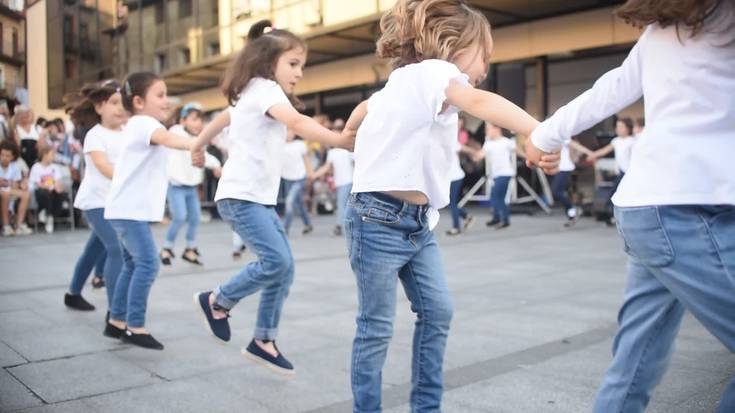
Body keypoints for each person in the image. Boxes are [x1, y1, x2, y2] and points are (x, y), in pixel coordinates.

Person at [342, 1, 558, 411]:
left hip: (414, 224)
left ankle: (427, 406)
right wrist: (539, 131)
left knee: (436, 310)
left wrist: (350, 132)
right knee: (376, 327)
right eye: (485, 55)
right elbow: (481, 102)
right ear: (454, 45)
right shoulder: (438, 73)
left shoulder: (401, 82)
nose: (485, 67)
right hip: (377, 219)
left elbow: (364, 108)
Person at [527, 1, 735, 411]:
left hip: (649, 210)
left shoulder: (663, 30)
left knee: (635, 363)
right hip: (687, 209)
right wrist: (544, 136)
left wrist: (544, 136)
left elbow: (611, 88)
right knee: (636, 361)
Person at [190, 20, 354, 376]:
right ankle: (217, 301)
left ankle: (263, 340)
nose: (298, 73)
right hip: (242, 197)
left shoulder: (250, 90)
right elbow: (297, 122)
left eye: (301, 66)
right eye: (293, 64)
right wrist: (339, 139)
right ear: (269, 61)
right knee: (277, 262)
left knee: (284, 268)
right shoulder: (266, 89)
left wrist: (198, 145)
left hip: (252, 197)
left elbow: (221, 119)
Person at [104, 72, 194, 350]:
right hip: (128, 211)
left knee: (133, 264)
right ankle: (135, 327)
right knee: (148, 264)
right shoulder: (144, 123)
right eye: (160, 95)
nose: (166, 101)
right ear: (140, 101)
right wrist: (197, 143)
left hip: (126, 209)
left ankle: (117, 321)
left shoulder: (138, 124)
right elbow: (167, 139)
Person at [64, 80, 127, 320]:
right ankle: (116, 313)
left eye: (123, 103)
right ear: (99, 106)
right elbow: (102, 166)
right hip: (96, 201)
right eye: (113, 103)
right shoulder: (95, 135)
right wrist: (129, 180)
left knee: (94, 249)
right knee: (116, 249)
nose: (120, 108)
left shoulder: (128, 133)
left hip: (116, 201)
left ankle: (72, 293)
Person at [160, 102, 222, 266]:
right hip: (176, 186)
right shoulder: (175, 132)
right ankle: (167, 247)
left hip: (191, 186)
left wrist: (216, 165)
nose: (198, 123)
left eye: (200, 120)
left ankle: (190, 248)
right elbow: (180, 143)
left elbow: (206, 156)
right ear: (182, 121)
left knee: (195, 217)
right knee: (179, 217)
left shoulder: (199, 138)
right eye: (194, 119)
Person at [473, 122, 517, 229]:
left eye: (488, 129)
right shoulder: (488, 143)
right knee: (493, 196)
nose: (486, 131)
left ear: (496, 129)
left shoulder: (507, 142)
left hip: (505, 173)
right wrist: (474, 154)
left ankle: (505, 220)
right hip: (495, 175)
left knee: (498, 197)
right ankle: (496, 218)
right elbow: (480, 155)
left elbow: (518, 151)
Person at [552, 139, 594, 227]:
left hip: (565, 168)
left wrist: (591, 153)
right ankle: (572, 213)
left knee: (557, 191)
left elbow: (578, 147)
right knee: (560, 191)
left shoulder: (564, 139)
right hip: (559, 169)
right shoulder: (554, 139)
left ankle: (572, 210)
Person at [281, 129, 313, 235]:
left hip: (300, 177)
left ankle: (285, 228)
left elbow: (306, 159)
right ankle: (308, 224)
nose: (288, 134)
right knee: (299, 203)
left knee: (289, 201)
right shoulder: (278, 145)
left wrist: (310, 173)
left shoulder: (299, 145)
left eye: (290, 131)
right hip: (287, 178)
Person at [28, 146, 65, 234]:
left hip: (52, 190)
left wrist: (57, 187)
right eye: (51, 155)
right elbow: (37, 183)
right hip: (40, 191)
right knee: (45, 194)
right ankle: (47, 215)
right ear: (45, 155)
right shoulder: (36, 167)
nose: (53, 157)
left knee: (61, 194)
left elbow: (58, 181)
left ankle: (49, 215)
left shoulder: (55, 167)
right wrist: (50, 187)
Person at [0, 139, 31, 236]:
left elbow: (15, 185)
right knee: (5, 193)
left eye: (7, 155)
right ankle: (6, 226)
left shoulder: (15, 166)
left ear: (13, 157)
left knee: (26, 194)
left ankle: (19, 225)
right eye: (2, 154)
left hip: (9, 190)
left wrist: (22, 184)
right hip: (3, 191)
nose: (4, 157)